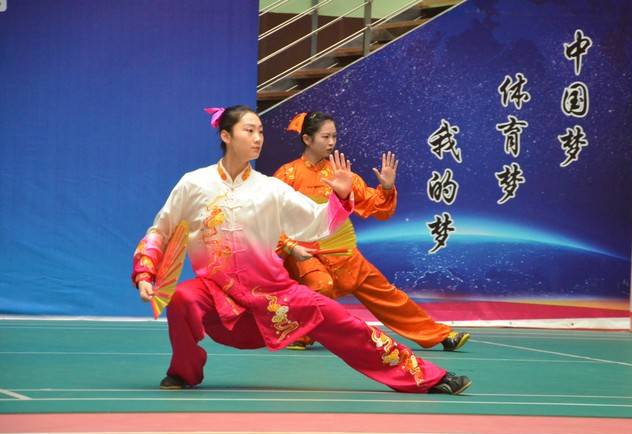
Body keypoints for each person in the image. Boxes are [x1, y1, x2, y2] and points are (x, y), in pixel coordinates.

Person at [131, 105, 471, 395]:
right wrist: (146, 272)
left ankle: (424, 376)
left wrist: (340, 197)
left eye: (261, 131)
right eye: (249, 130)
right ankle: (183, 372)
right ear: (226, 135)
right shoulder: (194, 183)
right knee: (183, 298)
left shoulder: (271, 189)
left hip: (274, 294)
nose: (258, 138)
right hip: (217, 296)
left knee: (347, 324)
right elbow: (161, 229)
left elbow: (317, 224)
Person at [274, 111, 470, 351]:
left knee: (386, 293)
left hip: (341, 252)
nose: (332, 142)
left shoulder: (340, 173)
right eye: (325, 137)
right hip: (305, 253)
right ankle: (301, 334)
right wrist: (290, 246)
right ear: (307, 139)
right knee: (321, 285)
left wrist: (386, 187)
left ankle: (440, 335)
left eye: (334, 136)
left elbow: (376, 207)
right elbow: (269, 218)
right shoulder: (288, 175)